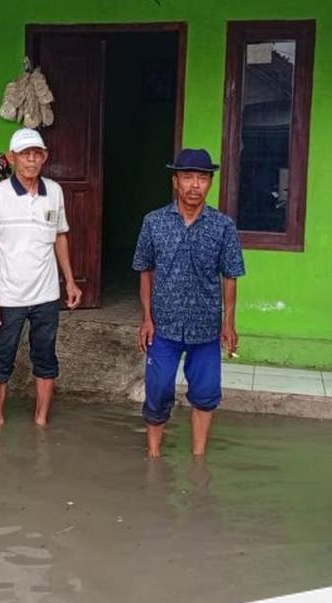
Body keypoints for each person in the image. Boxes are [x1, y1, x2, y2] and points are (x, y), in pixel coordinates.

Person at [132, 149, 245, 458]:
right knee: (158, 391)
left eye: (202, 178)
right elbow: (145, 270)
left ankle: (198, 458)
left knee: (206, 394)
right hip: (163, 326)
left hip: (206, 328)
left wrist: (228, 323)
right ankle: (153, 455)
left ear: (210, 183)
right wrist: (146, 318)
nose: (195, 185)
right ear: (175, 181)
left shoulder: (223, 226)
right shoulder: (154, 222)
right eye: (188, 177)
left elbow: (230, 276)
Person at [0, 128, 82, 427]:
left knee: (46, 358)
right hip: (9, 297)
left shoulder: (54, 192)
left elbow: (60, 237)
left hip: (47, 296)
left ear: (45, 157)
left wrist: (70, 281)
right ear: (11, 158)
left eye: (37, 153)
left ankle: (41, 420)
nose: (31, 160)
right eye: (25, 154)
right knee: (1, 358)